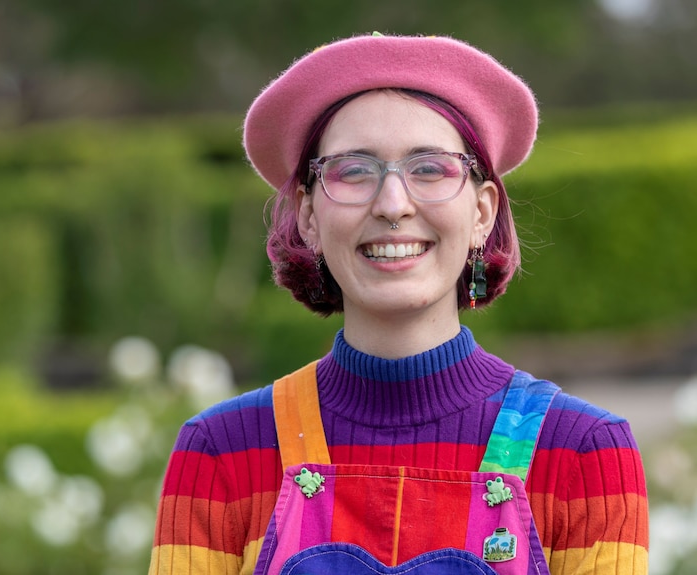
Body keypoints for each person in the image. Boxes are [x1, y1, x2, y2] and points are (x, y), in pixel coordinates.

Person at [148, 33, 649, 575]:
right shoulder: (222, 453)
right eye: (353, 171)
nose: (393, 205)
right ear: (309, 216)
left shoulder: (583, 454)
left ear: (482, 212)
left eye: (430, 168)